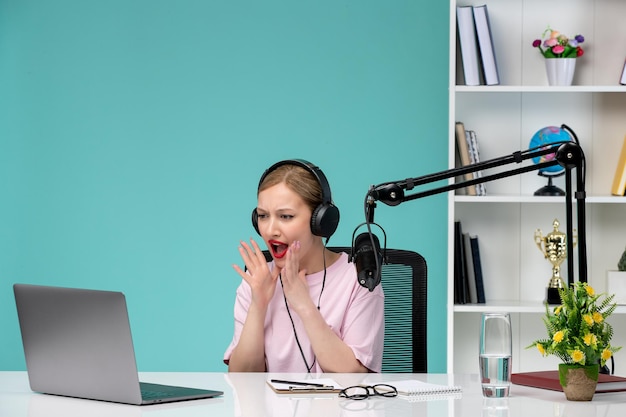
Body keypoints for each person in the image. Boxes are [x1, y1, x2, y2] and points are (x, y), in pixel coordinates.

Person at [223, 159, 385, 373]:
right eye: (263, 216)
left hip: (339, 407)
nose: (270, 230)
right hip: (269, 407)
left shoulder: (359, 280)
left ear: (320, 220)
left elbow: (355, 377)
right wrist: (258, 306)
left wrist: (305, 307)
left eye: (286, 216)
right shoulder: (257, 281)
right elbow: (242, 380)